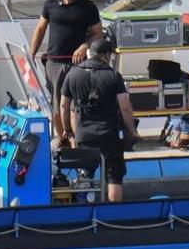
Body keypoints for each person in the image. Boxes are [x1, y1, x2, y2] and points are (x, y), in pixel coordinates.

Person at [28, 0, 103, 145]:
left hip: (78, 65)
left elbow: (97, 34)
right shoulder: (51, 3)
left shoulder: (88, 7)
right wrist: (31, 53)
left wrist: (84, 46)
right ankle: (62, 140)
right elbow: (40, 28)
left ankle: (77, 141)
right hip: (54, 63)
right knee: (56, 105)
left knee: (76, 105)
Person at [59, 36, 140, 201]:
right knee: (113, 175)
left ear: (90, 53)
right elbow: (125, 106)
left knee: (84, 173)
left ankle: (84, 212)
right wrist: (132, 131)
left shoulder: (72, 73)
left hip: (83, 135)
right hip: (109, 135)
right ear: (107, 55)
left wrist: (68, 131)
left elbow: (63, 106)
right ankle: (112, 216)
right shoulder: (113, 76)